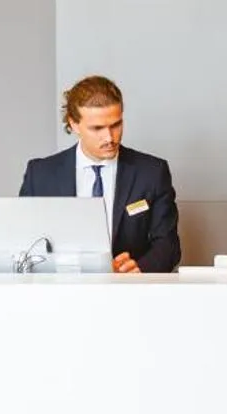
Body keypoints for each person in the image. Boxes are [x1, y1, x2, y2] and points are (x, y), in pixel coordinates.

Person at [19, 75, 181, 273]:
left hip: (129, 293)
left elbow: (168, 245)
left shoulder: (152, 173)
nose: (110, 137)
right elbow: (23, 244)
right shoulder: (41, 175)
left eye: (116, 125)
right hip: (60, 293)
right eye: (97, 128)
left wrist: (140, 268)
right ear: (74, 124)